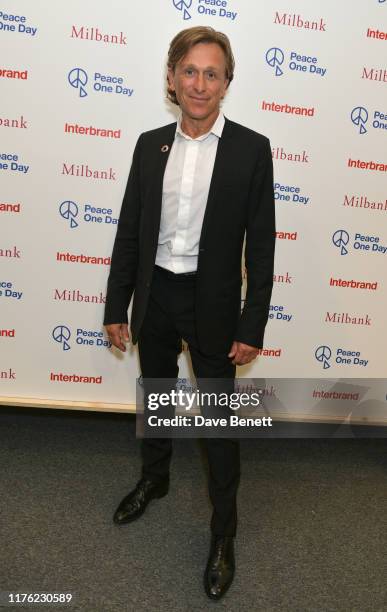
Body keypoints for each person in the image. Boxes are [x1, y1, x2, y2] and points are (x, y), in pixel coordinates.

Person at [103, 26, 275, 601]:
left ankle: (223, 533)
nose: (200, 84)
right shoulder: (149, 144)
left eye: (212, 73)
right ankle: (154, 479)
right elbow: (130, 230)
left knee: (220, 428)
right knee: (155, 395)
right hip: (155, 299)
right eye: (190, 71)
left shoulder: (252, 149)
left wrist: (252, 326)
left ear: (227, 83)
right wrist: (116, 303)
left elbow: (262, 246)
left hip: (215, 306)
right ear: (172, 78)